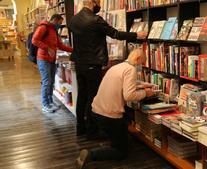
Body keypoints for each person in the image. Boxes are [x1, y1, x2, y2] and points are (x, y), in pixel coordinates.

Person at [68, 0, 148, 136]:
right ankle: (92, 131)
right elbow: (115, 34)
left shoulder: (73, 20)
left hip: (79, 63)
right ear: (93, 3)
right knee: (92, 97)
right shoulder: (95, 20)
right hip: (93, 63)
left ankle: (80, 127)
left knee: (82, 95)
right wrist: (136, 35)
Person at [76, 49, 155, 169]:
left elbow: (119, 84)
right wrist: (146, 93)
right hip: (109, 115)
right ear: (138, 59)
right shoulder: (131, 69)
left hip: (96, 111)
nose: (140, 67)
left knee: (122, 132)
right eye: (141, 63)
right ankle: (91, 155)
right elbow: (129, 96)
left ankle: (116, 141)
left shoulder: (117, 67)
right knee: (121, 152)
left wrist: (139, 85)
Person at [32, 14, 73, 113]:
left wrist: (73, 50)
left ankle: (50, 102)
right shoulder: (43, 28)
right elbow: (34, 40)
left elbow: (60, 45)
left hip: (51, 59)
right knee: (46, 82)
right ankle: (45, 104)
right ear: (54, 20)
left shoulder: (54, 30)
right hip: (43, 59)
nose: (59, 25)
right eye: (59, 23)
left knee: (51, 82)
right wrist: (47, 48)